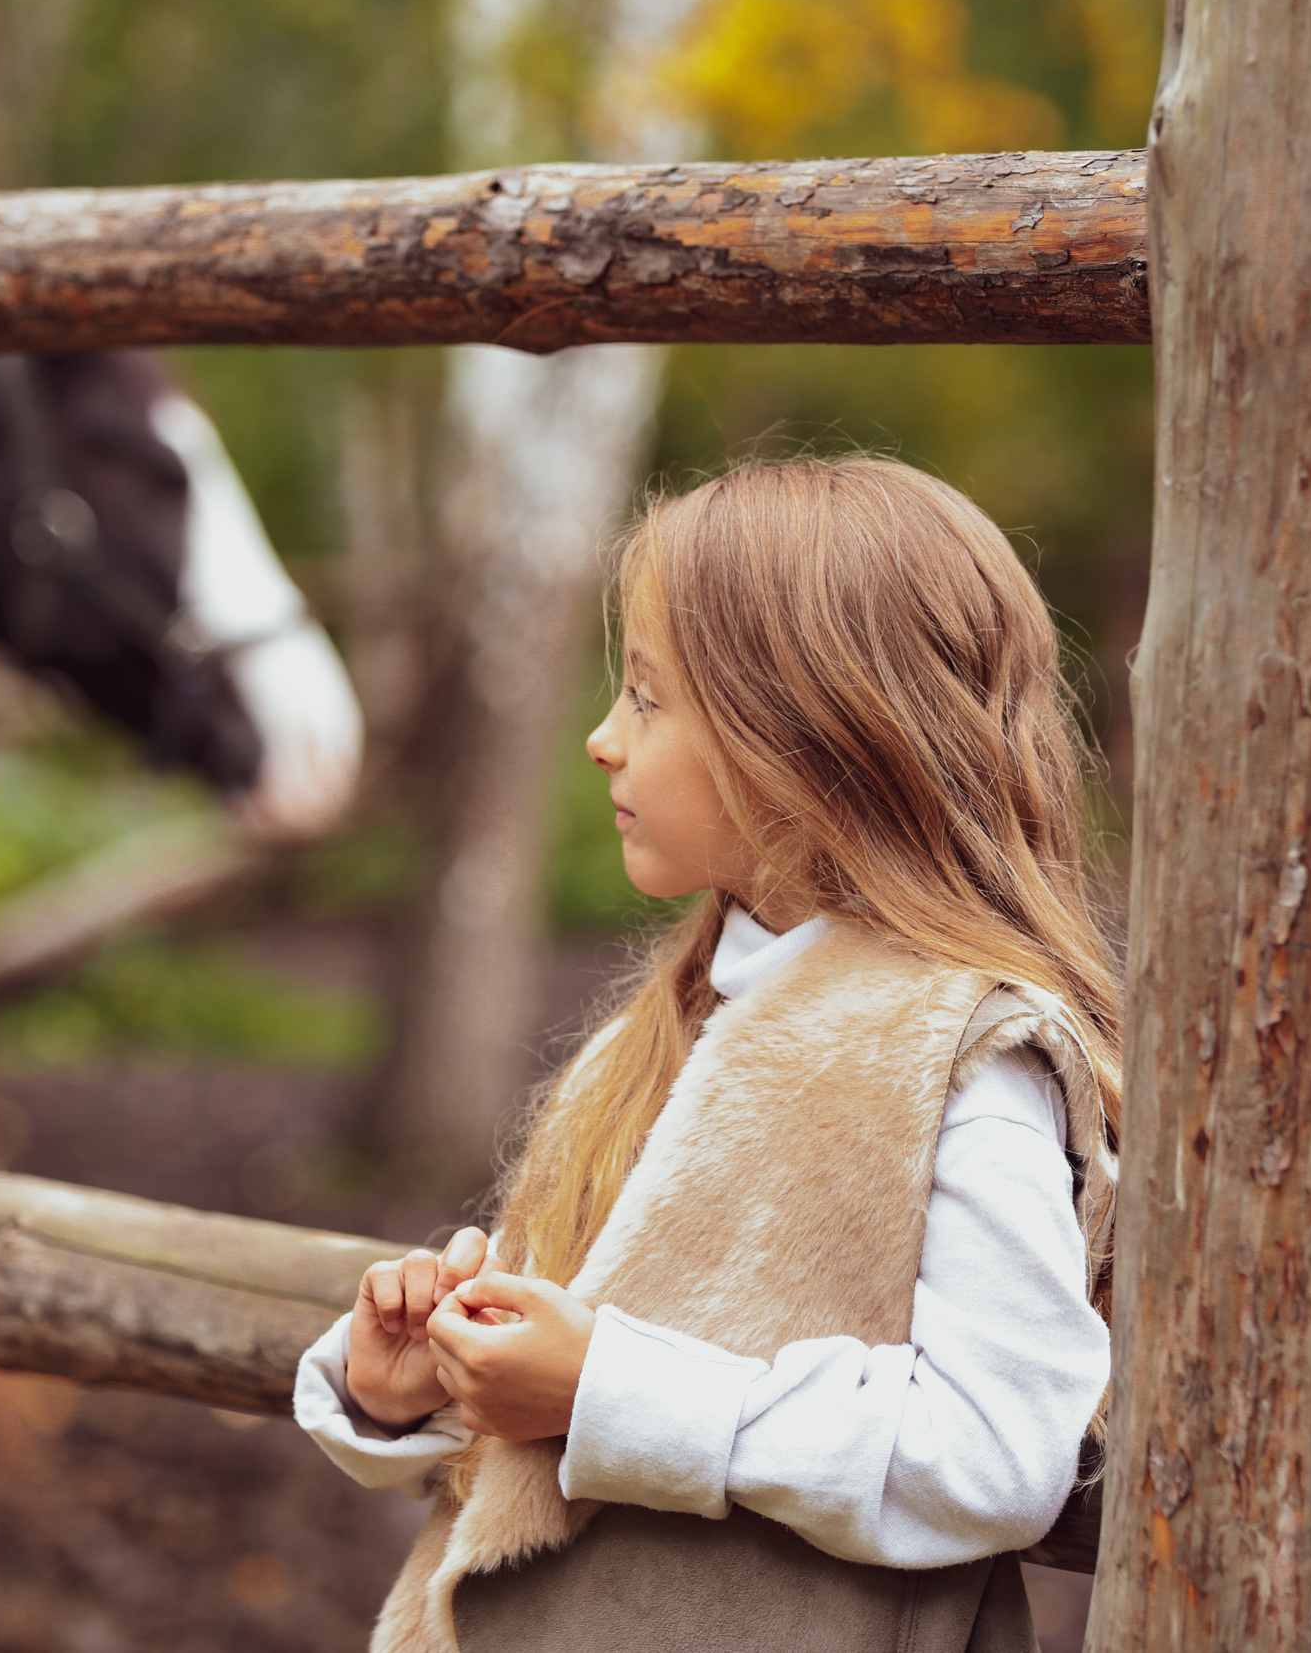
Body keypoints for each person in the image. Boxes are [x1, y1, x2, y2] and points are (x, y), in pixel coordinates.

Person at [293, 456, 1123, 1653]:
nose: (601, 740)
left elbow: (995, 1452)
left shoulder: (963, 1061)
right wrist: (410, 1386)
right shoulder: (667, 1031)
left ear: (807, 736)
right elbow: (573, 1384)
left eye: (646, 698)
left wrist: (606, 1389)